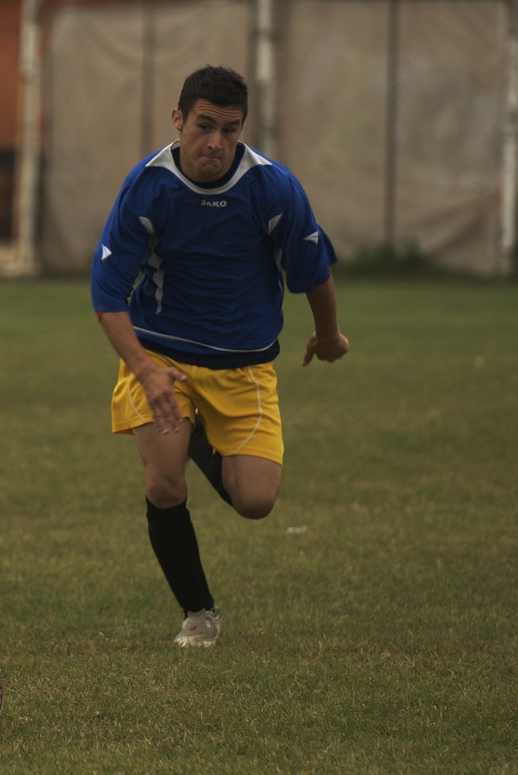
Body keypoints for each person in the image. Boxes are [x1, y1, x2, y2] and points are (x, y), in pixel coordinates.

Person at [90, 65, 349, 649]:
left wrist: (329, 335)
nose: (216, 143)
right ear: (178, 119)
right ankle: (198, 614)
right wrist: (144, 367)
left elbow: (314, 271)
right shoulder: (147, 187)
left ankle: (199, 437)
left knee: (255, 502)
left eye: (230, 130)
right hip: (161, 356)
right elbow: (107, 296)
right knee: (164, 486)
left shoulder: (273, 188)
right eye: (204, 126)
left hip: (245, 364)